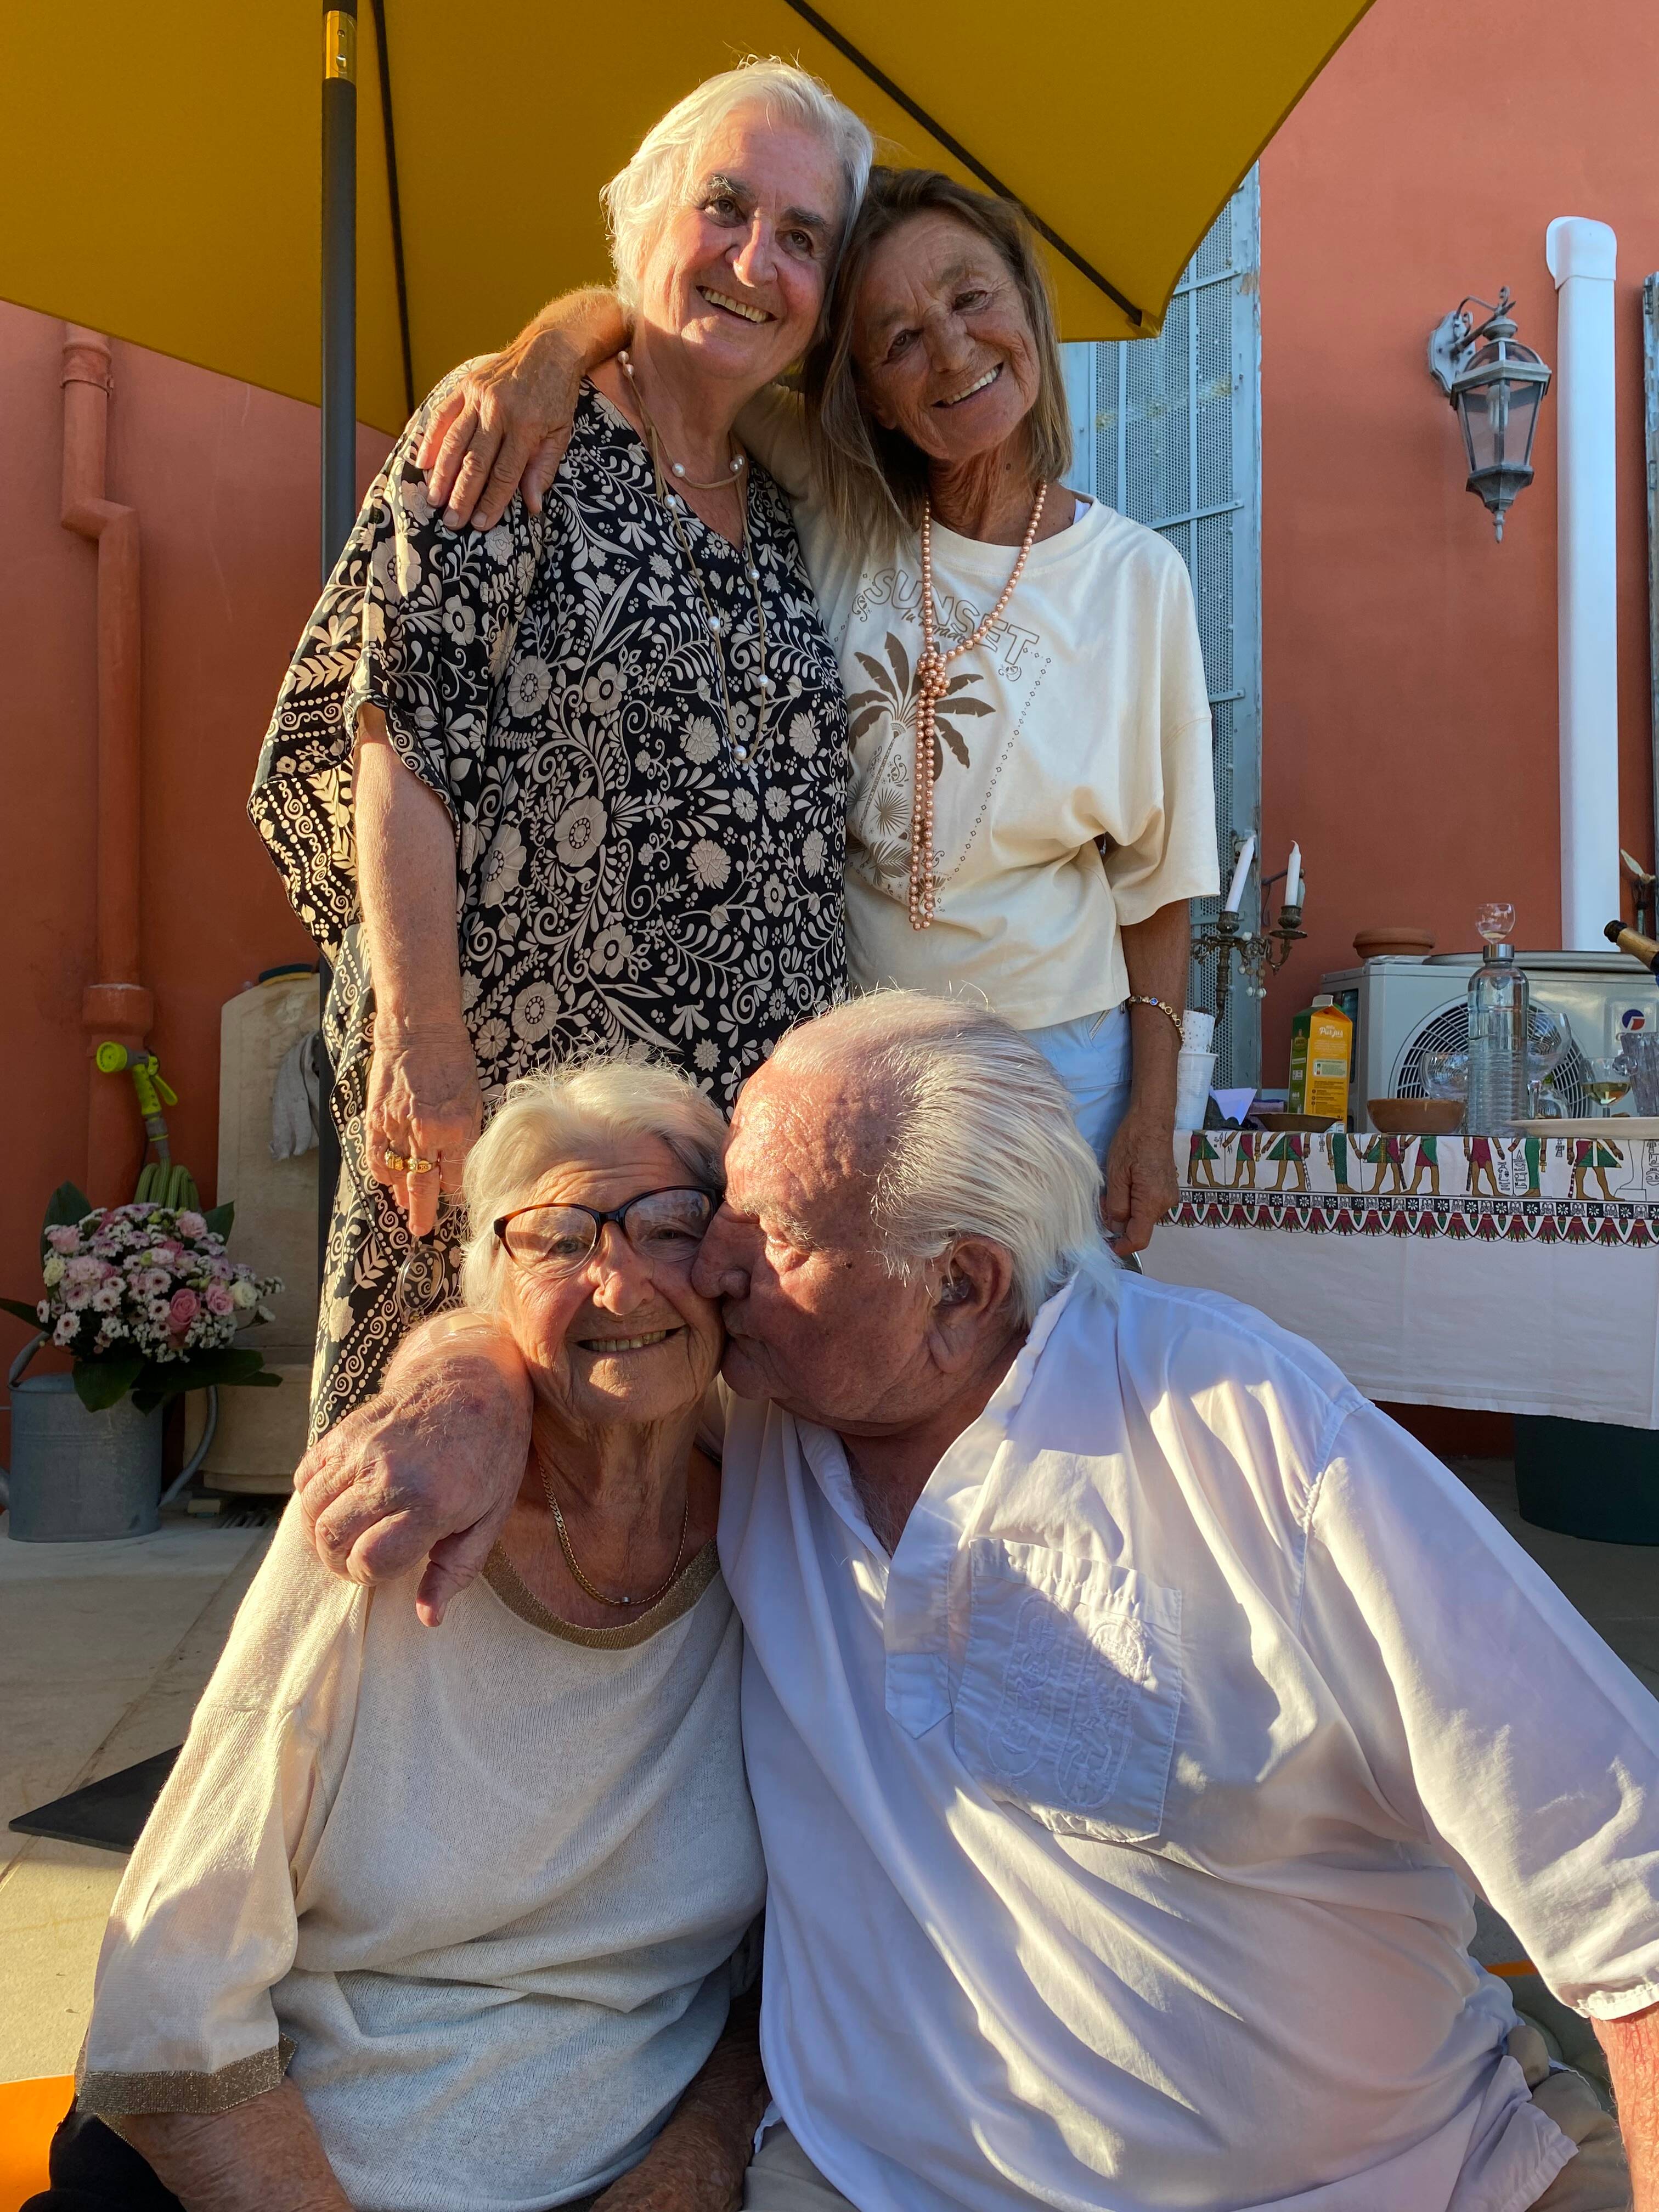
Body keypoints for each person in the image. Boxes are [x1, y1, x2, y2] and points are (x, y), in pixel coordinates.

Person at [293, 992, 1655, 2212]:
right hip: (865, 2179)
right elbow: (563, 1310)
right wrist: (453, 1385)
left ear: (957, 1285)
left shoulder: (1244, 1431)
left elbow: (1630, 1894)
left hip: (1394, 2179)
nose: (709, 1270)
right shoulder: (766, 1407)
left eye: (766, 1235)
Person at [416, 165, 1220, 1256]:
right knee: (852, 1378)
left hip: (1059, 1072)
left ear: (1028, 301)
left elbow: (1159, 887)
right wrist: (551, 352)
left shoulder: (1140, 579)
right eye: (897, 338)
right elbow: (668, 340)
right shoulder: (838, 497)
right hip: (850, 1075)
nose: (949, 349)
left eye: (971, 297)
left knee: (1041, 1381)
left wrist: (1151, 1122)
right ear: (865, 388)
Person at [250, 60, 872, 1434]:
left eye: (804, 236)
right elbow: (395, 735)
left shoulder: (788, 503)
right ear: (643, 218)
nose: (755, 259)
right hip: (512, 1140)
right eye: (724, 206)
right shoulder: (511, 430)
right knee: (451, 1506)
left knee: (672, 1552)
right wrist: (423, 1044)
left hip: (717, 1169)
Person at [41, 1062, 768, 2212]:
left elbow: (784, 1984)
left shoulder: (787, 1549)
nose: (619, 1281)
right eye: (558, 1239)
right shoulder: (387, 1526)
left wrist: (694, 2166)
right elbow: (169, 2000)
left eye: (670, 1227)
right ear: (490, 1291)